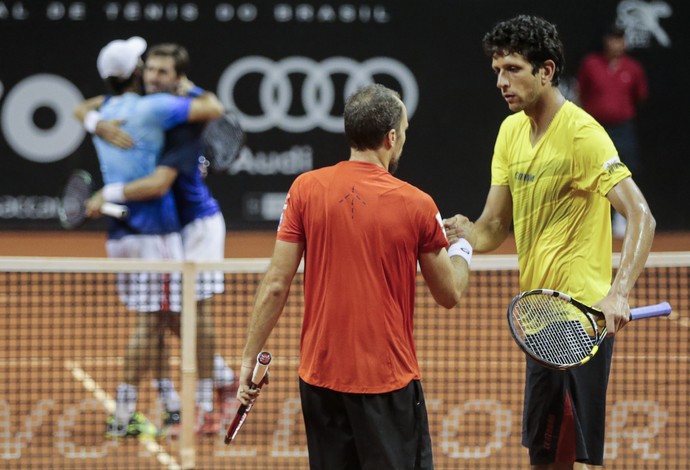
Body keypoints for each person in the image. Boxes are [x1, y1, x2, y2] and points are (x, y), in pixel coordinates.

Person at [446, 15, 656, 469]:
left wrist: (618, 291)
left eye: (513, 70)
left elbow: (642, 215)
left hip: (582, 318)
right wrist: (462, 232)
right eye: (497, 71)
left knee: (581, 459)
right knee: (542, 453)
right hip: (539, 317)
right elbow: (494, 227)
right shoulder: (510, 132)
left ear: (546, 71)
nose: (502, 81)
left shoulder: (583, 135)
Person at [237, 83, 473, 469]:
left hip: (319, 379)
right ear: (391, 137)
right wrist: (464, 246)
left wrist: (249, 360)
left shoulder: (304, 189)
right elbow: (449, 293)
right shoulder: (418, 203)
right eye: (404, 133)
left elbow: (276, 284)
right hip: (387, 383)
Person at [73, 36, 224, 438]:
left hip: (121, 232)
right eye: (147, 67)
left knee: (157, 319)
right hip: (153, 230)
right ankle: (124, 415)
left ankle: (171, 401)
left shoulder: (105, 111)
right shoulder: (155, 107)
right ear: (137, 72)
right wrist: (184, 87)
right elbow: (212, 106)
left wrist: (93, 123)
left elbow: (80, 107)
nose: (152, 73)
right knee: (154, 321)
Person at [577, 24, 648, 237]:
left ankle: (621, 217)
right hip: (596, 129)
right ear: (606, 40)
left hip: (622, 128)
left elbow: (640, 96)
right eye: (612, 38)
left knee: (624, 171)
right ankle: (595, 219)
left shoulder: (633, 68)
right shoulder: (591, 64)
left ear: (624, 42)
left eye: (620, 39)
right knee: (592, 172)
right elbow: (581, 92)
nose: (616, 43)